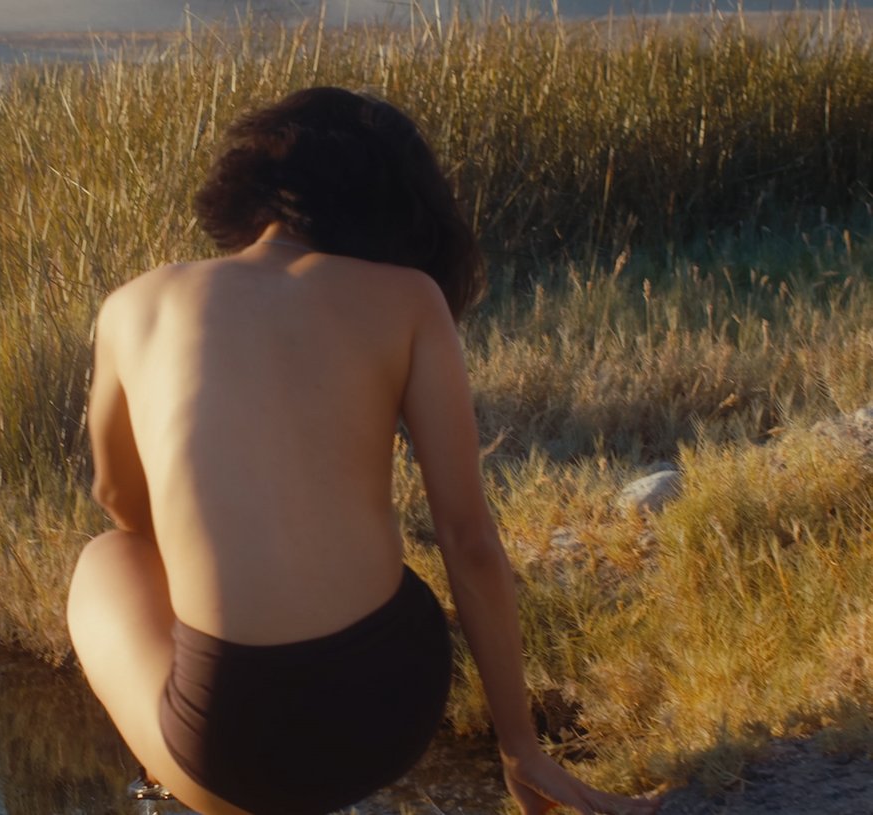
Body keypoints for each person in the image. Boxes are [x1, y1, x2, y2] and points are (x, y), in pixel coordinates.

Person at [66, 87, 660, 815]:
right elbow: (469, 539)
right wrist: (520, 749)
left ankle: (171, 776)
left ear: (257, 182)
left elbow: (121, 503)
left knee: (110, 558)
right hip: (394, 708)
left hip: (233, 751)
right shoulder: (410, 298)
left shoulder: (135, 303)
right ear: (397, 208)